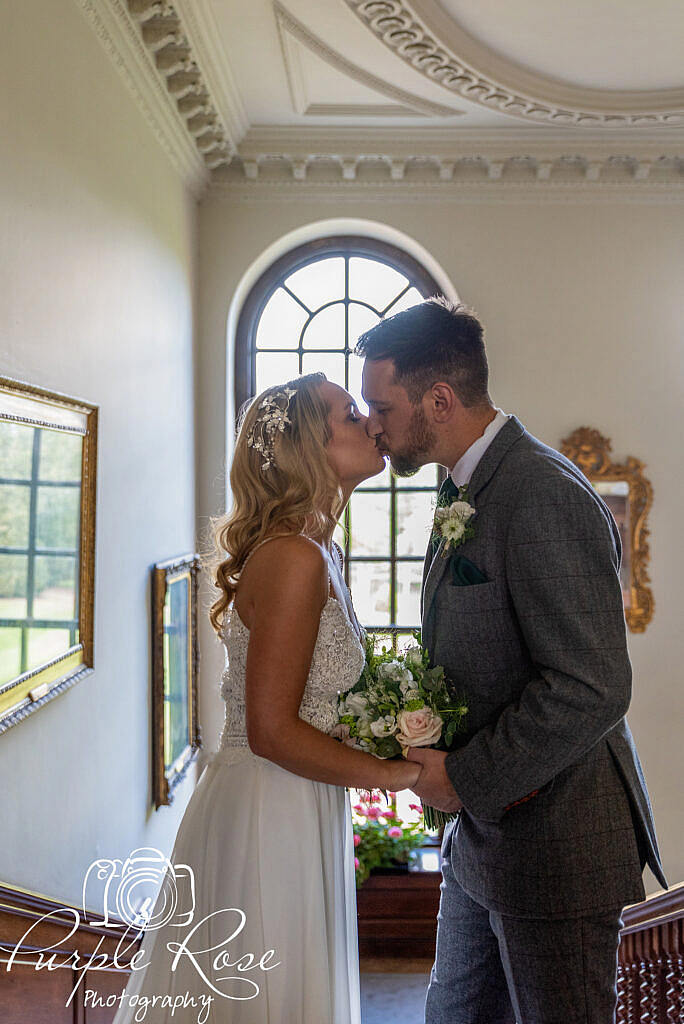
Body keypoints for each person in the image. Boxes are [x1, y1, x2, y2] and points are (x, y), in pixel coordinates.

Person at [357, 297, 667, 1024]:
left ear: (439, 399)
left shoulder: (540, 494)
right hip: (481, 847)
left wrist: (462, 777)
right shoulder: (460, 485)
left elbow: (592, 686)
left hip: (556, 849)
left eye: (381, 405)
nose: (374, 424)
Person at [111, 372, 422, 1024]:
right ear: (307, 447)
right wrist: (396, 775)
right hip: (269, 808)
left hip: (299, 797)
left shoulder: (317, 550)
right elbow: (272, 732)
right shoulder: (293, 558)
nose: (371, 422)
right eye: (349, 413)